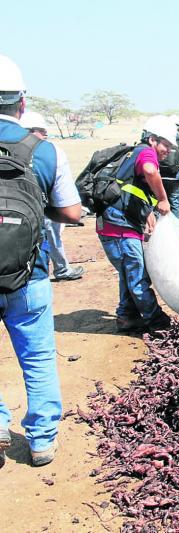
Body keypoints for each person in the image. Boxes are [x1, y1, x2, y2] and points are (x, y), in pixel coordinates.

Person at [0, 55, 82, 466]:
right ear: (22, 102)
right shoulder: (44, 150)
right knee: (37, 357)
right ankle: (41, 439)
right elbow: (71, 213)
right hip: (28, 275)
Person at [96, 115, 174, 332]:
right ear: (152, 139)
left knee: (128, 272)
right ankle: (157, 322)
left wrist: (147, 211)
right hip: (118, 226)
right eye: (166, 145)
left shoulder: (133, 154)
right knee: (137, 274)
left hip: (117, 222)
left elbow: (132, 188)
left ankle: (126, 316)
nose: (168, 150)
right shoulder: (146, 153)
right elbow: (150, 171)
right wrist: (163, 199)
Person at [20, 111, 84, 281]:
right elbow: (71, 213)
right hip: (43, 211)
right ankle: (61, 269)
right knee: (52, 236)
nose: (45, 134)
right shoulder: (48, 153)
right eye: (41, 131)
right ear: (30, 131)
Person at [158, 115, 179, 218]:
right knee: (175, 205)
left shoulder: (159, 140)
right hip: (175, 178)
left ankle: (157, 230)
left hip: (158, 177)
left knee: (157, 202)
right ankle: (175, 231)